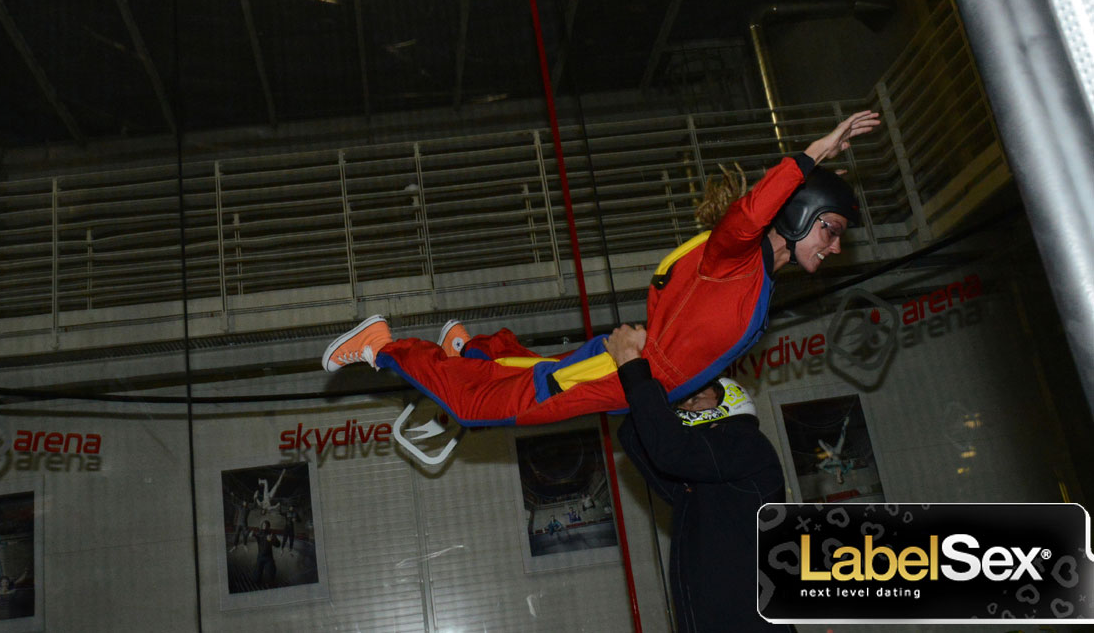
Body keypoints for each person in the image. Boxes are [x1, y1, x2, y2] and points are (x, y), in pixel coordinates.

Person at [322, 111, 879, 427]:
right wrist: (818, 149)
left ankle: (471, 349)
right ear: (801, 216)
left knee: (535, 372)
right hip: (631, 372)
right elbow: (751, 211)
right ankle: (382, 347)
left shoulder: (760, 283)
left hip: (637, 375)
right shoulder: (737, 255)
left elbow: (698, 348)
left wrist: (687, 392)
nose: (833, 248)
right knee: (476, 407)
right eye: (830, 230)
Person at [608, 324, 792, 632]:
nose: (690, 402)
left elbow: (672, 451)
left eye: (697, 398)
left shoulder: (745, 444)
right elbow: (637, 438)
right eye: (685, 402)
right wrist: (635, 375)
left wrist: (631, 360)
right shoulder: (699, 481)